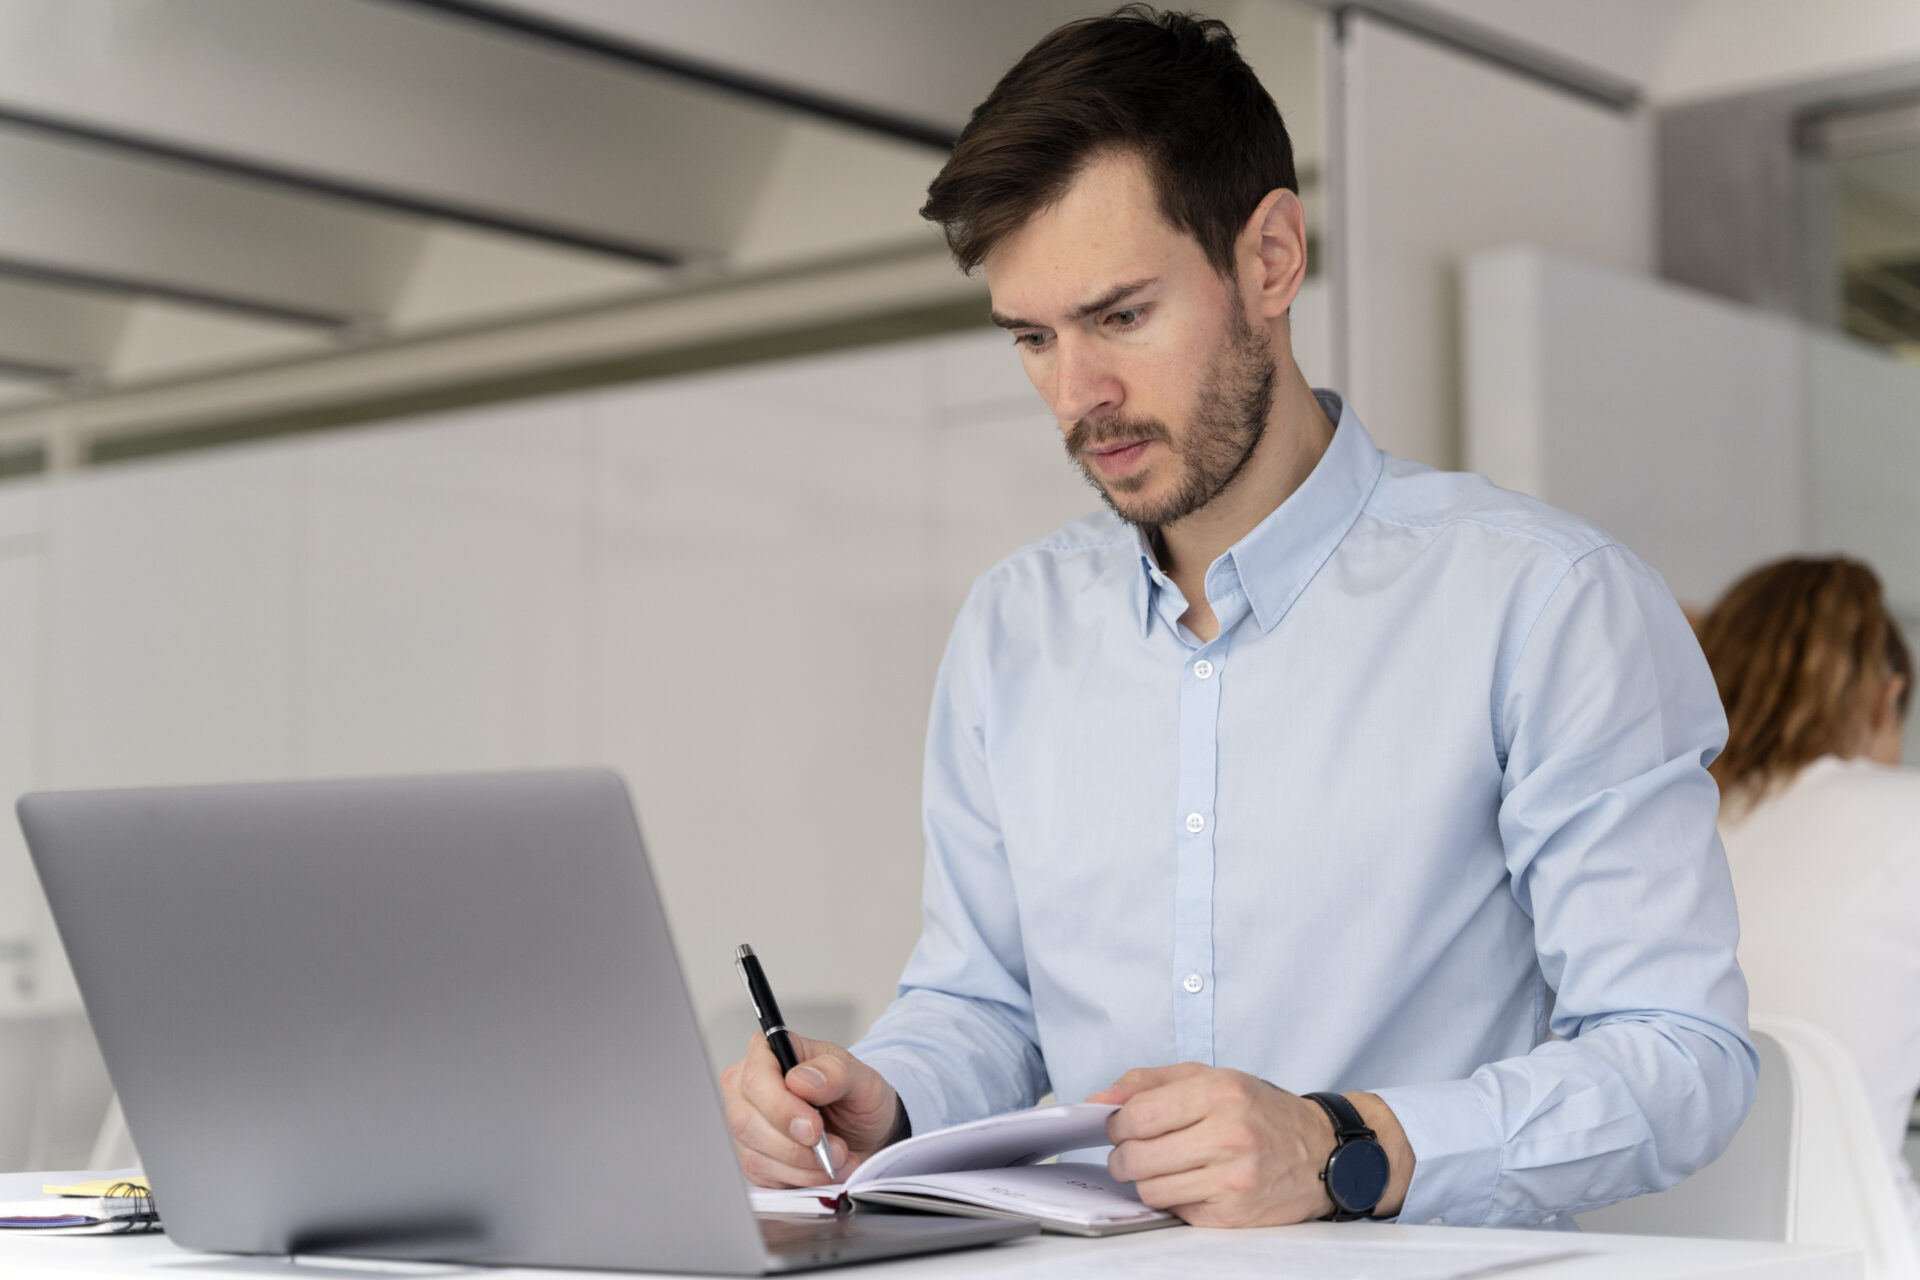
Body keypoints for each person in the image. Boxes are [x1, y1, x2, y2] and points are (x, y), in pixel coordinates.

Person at [721, 5, 1755, 1229]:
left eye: (1120, 316)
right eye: (1034, 339)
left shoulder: (1546, 603)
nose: (1077, 394)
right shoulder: (1013, 631)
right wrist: (878, 1104)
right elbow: (986, 1003)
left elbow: (1681, 1054)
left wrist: (1339, 1144)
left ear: (1270, 259)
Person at [1699, 557, 1919, 1241]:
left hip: (1644, 1248)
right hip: (1859, 1251)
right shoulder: (1906, 814)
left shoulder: (1652, 827)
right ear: (1887, 697)